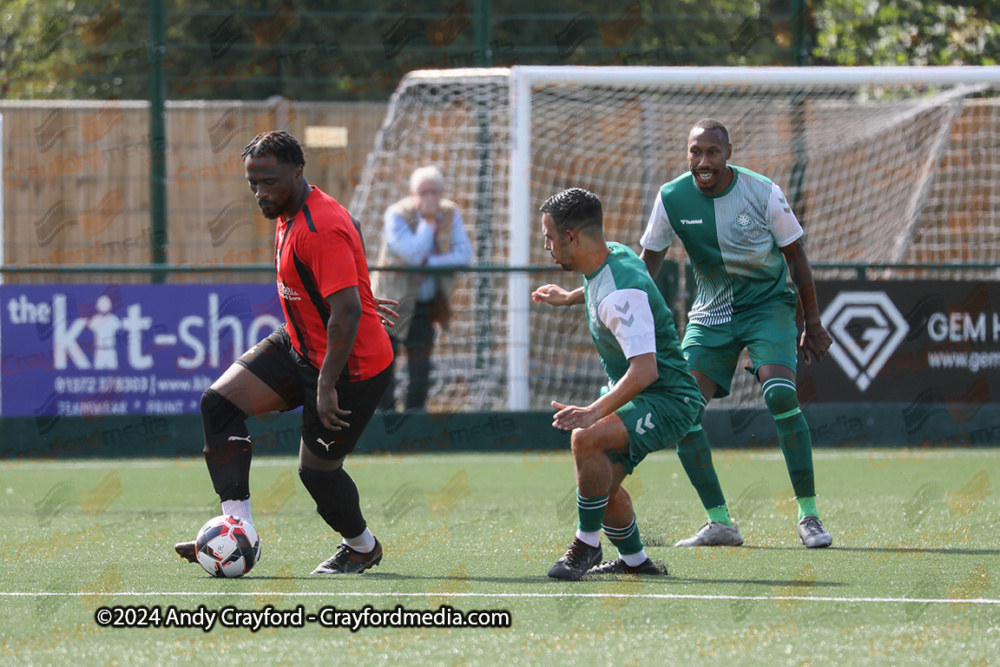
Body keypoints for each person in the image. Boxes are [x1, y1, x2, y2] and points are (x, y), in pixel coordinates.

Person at [173, 131, 397, 574]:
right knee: (218, 404)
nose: (260, 192)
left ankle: (362, 547)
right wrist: (361, 297)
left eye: (269, 181)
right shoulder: (290, 209)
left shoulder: (321, 225)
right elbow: (348, 282)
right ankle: (237, 527)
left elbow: (346, 312)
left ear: (298, 173)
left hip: (349, 368)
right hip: (300, 344)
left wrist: (327, 385)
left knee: (317, 473)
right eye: (253, 182)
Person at [639, 118, 834, 548]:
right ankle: (720, 522)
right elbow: (648, 262)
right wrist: (634, 319)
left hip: (767, 307)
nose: (704, 160)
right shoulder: (671, 197)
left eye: (712, 151)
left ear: (728, 153)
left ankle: (809, 516)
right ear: (687, 154)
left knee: (781, 394)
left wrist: (812, 323)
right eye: (696, 152)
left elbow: (796, 257)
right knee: (682, 411)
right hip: (710, 314)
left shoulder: (762, 191)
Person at [532, 187, 704, 579]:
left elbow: (646, 371)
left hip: (669, 401)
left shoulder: (620, 294)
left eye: (549, 236)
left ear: (572, 237)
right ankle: (635, 562)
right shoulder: (616, 255)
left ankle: (586, 546)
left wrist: (592, 412)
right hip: (647, 395)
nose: (546, 245)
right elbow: (602, 286)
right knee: (600, 482)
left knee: (586, 438)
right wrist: (569, 297)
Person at [373, 166, 471, 412]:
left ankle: (414, 421)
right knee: (385, 363)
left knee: (420, 367)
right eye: (423, 192)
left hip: (425, 305)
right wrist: (428, 223)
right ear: (412, 193)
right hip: (391, 303)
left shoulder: (450, 213)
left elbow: (464, 255)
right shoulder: (396, 214)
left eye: (434, 191)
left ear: (442, 193)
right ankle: (386, 419)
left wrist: (430, 263)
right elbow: (413, 254)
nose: (429, 197)